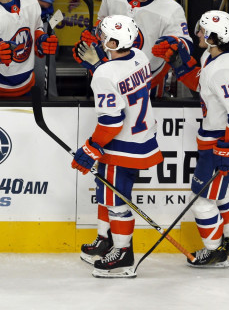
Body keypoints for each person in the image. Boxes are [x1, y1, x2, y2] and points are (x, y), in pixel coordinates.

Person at [70, 14, 163, 278]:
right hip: (143, 140)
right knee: (106, 191)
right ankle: (106, 240)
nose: (100, 38)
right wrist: (97, 64)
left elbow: (111, 121)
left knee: (116, 200)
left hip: (121, 146)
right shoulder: (140, 56)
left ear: (113, 42)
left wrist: (90, 149)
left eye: (104, 36)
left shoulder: (105, 73)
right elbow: (122, 83)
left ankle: (123, 255)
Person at [153, 10, 229, 268]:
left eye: (203, 32)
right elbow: (201, 84)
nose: (198, 34)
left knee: (201, 199)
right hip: (222, 138)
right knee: (222, 192)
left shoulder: (224, 71)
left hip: (221, 139)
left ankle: (215, 251)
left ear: (215, 37)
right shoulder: (217, 55)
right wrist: (179, 65)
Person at [80, 0, 192, 96]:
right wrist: (95, 35)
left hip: (150, 81)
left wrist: (174, 44)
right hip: (112, 76)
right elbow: (102, 22)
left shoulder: (172, 9)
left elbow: (187, 45)